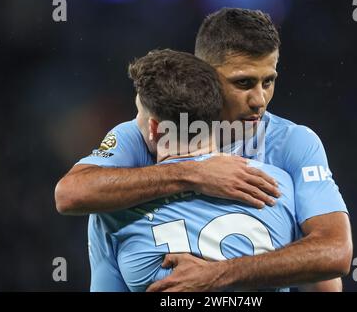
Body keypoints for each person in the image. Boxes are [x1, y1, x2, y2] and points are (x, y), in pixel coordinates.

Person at [55, 8, 352, 291]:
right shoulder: (144, 132)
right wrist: (193, 173)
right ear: (206, 74)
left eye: (269, 81)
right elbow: (70, 194)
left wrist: (219, 275)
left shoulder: (292, 141)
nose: (259, 99)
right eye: (244, 82)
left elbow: (335, 253)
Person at [90, 49, 302, 291]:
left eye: (139, 112)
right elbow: (323, 281)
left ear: (155, 129)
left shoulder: (114, 211)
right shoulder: (281, 187)